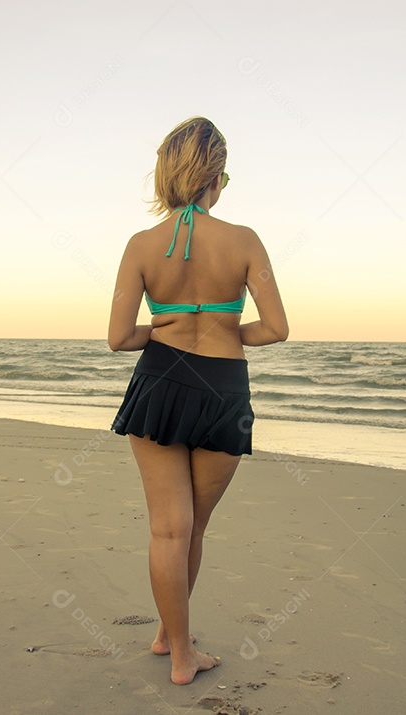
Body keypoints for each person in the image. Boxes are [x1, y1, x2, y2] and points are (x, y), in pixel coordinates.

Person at [108, 116, 289, 685]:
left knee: (168, 530)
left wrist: (165, 329)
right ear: (215, 178)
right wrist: (224, 329)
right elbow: (276, 329)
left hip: (160, 382)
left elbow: (119, 338)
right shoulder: (244, 240)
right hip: (224, 389)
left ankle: (174, 644)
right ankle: (178, 646)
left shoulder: (141, 245)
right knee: (195, 529)